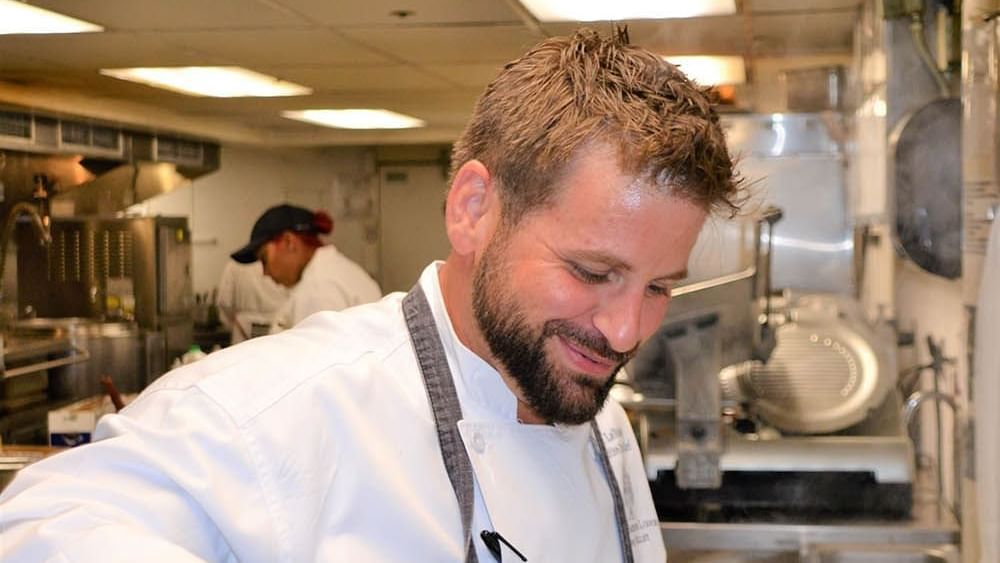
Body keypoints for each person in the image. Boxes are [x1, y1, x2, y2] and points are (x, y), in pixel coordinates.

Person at [0, 28, 742, 562]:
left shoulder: (599, 420)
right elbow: (44, 521)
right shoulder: (288, 408)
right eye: (589, 271)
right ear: (473, 209)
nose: (623, 330)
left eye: (659, 287)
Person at [229, 203, 382, 332]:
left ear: (289, 242)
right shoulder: (334, 270)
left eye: (264, 259)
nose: (265, 273)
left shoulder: (319, 288)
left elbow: (317, 364)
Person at [216, 259, 290, 343]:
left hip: (242, 329)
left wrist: (232, 321)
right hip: (278, 327)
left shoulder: (236, 263)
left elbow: (224, 301)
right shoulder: (282, 261)